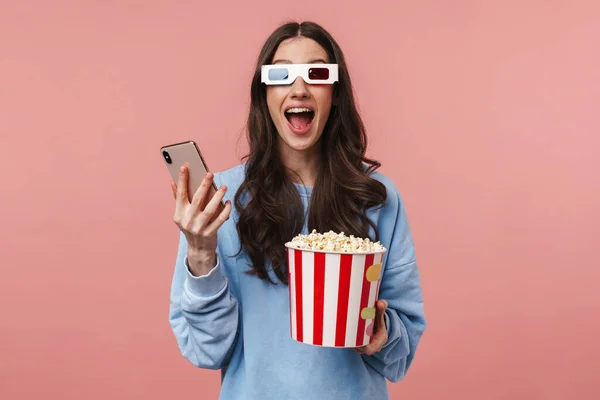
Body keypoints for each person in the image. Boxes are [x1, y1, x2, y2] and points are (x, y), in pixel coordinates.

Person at [168, 20, 426, 400]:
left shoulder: (378, 198)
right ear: (265, 93)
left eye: (317, 73)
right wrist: (201, 254)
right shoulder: (221, 203)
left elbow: (400, 356)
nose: (299, 88)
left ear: (335, 93)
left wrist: (380, 332)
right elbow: (207, 352)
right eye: (282, 74)